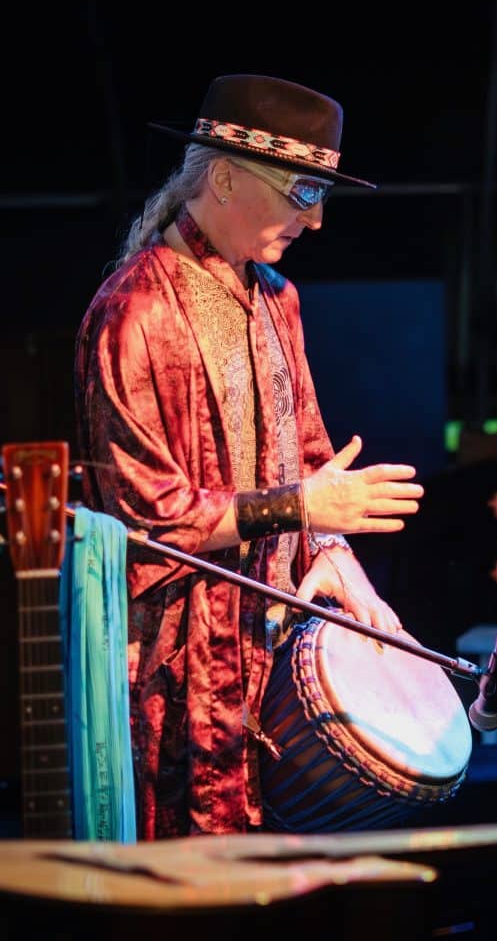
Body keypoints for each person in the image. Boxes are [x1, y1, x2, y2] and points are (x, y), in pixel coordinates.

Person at [74, 73, 424, 839]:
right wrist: (302, 508)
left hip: (267, 661)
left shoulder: (277, 299)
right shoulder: (134, 313)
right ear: (226, 176)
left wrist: (330, 551)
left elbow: (308, 453)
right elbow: (144, 520)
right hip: (172, 682)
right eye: (304, 193)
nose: (320, 220)